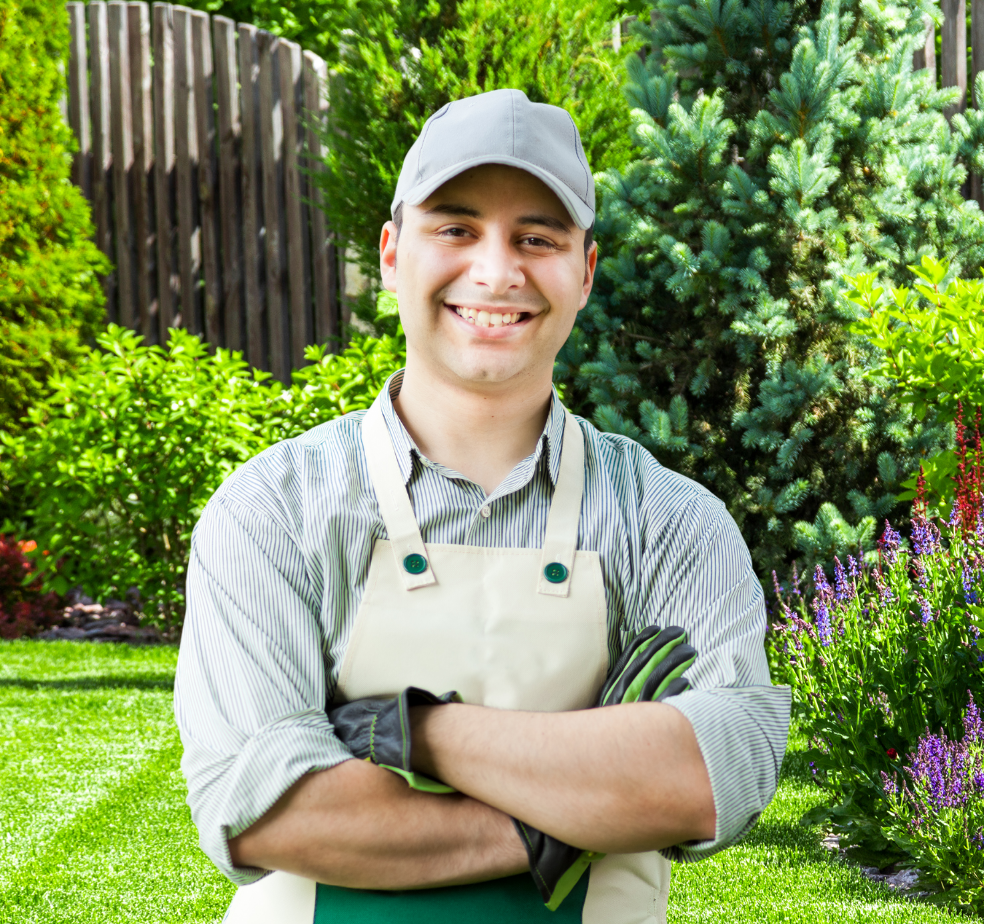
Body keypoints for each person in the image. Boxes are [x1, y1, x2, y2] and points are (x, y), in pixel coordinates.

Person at [174, 88, 790, 923]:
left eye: (536, 238)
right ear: (393, 255)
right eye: (456, 229)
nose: (497, 271)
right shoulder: (274, 511)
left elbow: (718, 777)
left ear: (585, 272)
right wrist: (574, 815)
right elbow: (269, 809)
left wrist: (420, 733)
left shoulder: (670, 524)